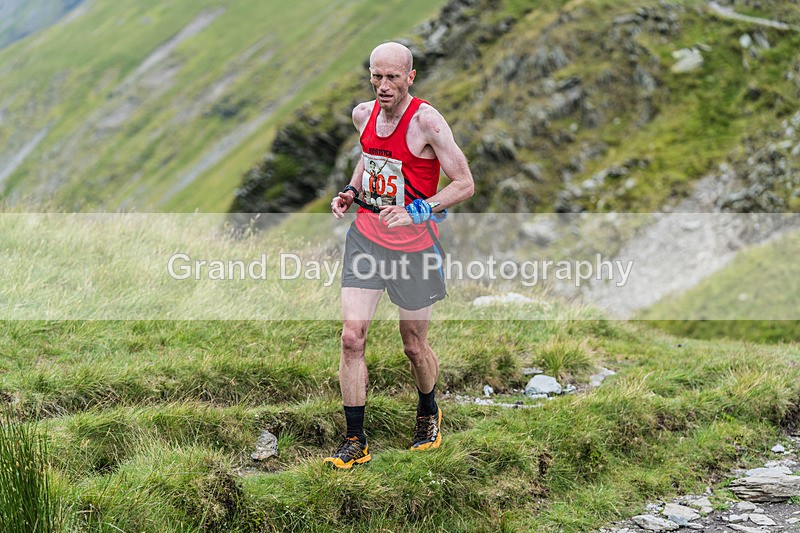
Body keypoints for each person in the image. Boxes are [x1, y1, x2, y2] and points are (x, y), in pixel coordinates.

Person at [327, 42, 474, 469]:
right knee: (351, 338)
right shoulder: (363, 114)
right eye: (377, 76)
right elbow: (369, 158)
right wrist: (353, 192)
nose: (383, 86)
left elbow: (464, 183)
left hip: (415, 247)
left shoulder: (427, 121)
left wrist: (417, 210)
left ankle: (429, 410)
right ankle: (356, 440)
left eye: (393, 77)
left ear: (411, 76)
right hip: (367, 239)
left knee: (413, 345)